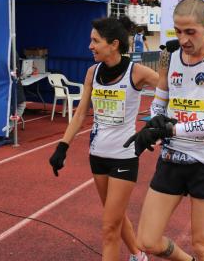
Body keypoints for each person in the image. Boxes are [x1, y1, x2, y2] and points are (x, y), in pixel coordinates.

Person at [124, 0, 204, 261]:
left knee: (202, 246)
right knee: (147, 240)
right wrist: (154, 121)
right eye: (178, 31)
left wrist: (172, 129)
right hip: (172, 157)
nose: (183, 39)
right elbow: (159, 103)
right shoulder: (169, 56)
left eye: (190, 32)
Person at [48, 16, 158, 261]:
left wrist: (157, 124)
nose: (90, 46)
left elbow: (170, 90)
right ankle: (139, 256)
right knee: (115, 217)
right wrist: (62, 146)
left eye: (95, 41)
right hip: (97, 156)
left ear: (114, 44)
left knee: (109, 228)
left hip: (124, 157)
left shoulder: (136, 72)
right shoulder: (92, 72)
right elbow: (80, 114)